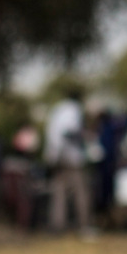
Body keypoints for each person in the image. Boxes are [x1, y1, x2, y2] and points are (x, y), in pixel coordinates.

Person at [43, 84, 92, 233]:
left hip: (55, 156)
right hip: (69, 156)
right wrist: (86, 137)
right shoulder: (73, 109)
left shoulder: (58, 109)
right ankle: (84, 225)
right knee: (80, 191)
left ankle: (57, 225)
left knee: (59, 191)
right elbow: (68, 131)